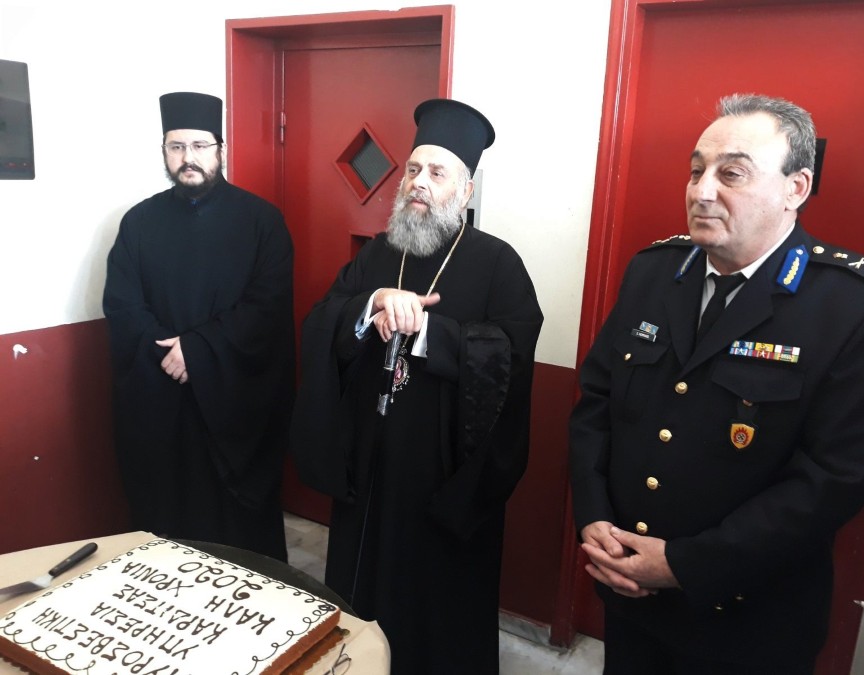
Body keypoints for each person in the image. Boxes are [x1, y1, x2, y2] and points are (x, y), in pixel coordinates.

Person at [569, 93, 864, 674]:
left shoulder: (858, 306)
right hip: (629, 592)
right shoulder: (653, 272)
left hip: (748, 620)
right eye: (696, 170)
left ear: (796, 188)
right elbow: (596, 403)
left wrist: (685, 565)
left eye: (732, 174)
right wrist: (594, 519)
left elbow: (832, 480)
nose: (701, 191)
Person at [291, 98, 543, 674]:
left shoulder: (499, 264)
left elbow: (512, 354)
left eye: (437, 172)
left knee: (435, 617)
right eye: (412, 169)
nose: (419, 183)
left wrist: (429, 332)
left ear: (466, 190)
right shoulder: (379, 254)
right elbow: (323, 319)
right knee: (361, 601)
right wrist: (371, 304)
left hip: (442, 476)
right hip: (369, 465)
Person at [103, 92, 295, 561]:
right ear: (164, 151)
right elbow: (123, 305)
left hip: (234, 401)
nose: (188, 157)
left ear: (220, 150)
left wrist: (199, 349)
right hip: (161, 394)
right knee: (167, 527)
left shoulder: (262, 222)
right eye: (176, 146)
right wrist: (170, 355)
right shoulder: (138, 222)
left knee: (240, 544)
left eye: (200, 145)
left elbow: (266, 307)